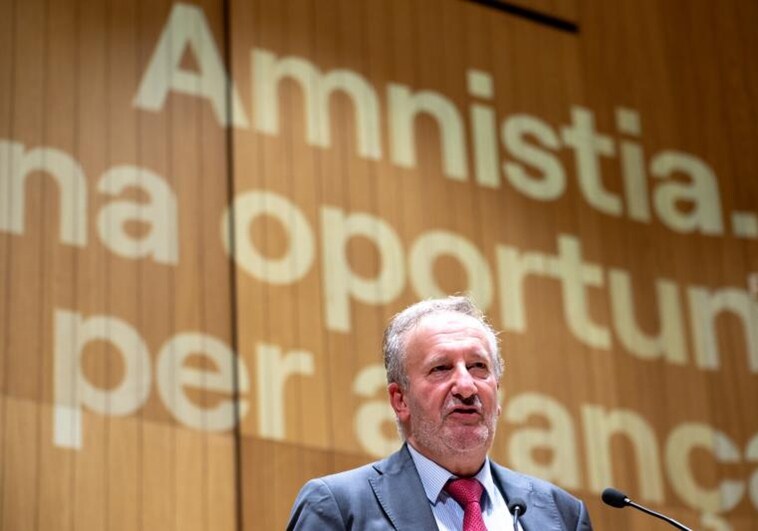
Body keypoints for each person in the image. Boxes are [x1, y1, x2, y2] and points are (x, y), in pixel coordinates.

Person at [287, 296, 593, 530]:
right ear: (400, 400)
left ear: (497, 392)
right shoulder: (339, 506)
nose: (466, 386)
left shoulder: (561, 514)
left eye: (478, 367)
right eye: (441, 368)